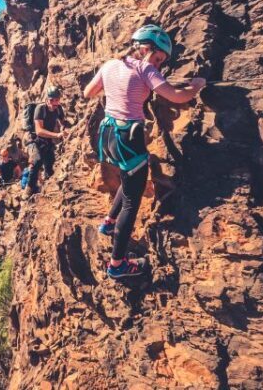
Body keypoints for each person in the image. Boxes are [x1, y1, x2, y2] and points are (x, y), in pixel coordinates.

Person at [83, 24, 206, 279]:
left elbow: (88, 93)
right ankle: (118, 265)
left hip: (107, 135)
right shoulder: (145, 69)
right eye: (158, 58)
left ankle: (108, 222)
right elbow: (175, 96)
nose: (159, 64)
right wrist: (195, 86)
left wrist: (117, 90)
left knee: (128, 179)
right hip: (129, 137)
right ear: (146, 48)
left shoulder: (109, 65)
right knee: (133, 198)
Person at [25, 86, 65, 196]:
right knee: (36, 161)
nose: (54, 102)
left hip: (47, 142)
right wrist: (57, 134)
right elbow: (39, 130)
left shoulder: (58, 109)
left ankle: (47, 189)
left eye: (57, 100)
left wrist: (63, 128)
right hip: (35, 141)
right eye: (52, 100)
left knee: (50, 166)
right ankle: (29, 189)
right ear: (47, 99)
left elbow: (62, 122)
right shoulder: (40, 109)